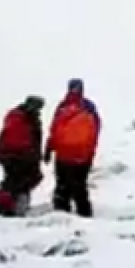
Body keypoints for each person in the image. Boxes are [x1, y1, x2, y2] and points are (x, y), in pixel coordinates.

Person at [46, 78, 101, 217]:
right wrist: (91, 151)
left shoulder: (62, 106)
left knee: (62, 184)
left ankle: (61, 212)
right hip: (83, 155)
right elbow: (96, 130)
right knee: (80, 184)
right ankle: (84, 212)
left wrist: (49, 148)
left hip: (63, 154)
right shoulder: (89, 106)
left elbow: (54, 129)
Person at [0, 96, 46, 217]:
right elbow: (33, 140)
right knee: (22, 181)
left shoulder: (15, 115)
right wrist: (35, 156)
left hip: (7, 154)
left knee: (13, 181)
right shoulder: (29, 119)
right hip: (21, 156)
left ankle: (4, 205)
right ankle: (12, 207)